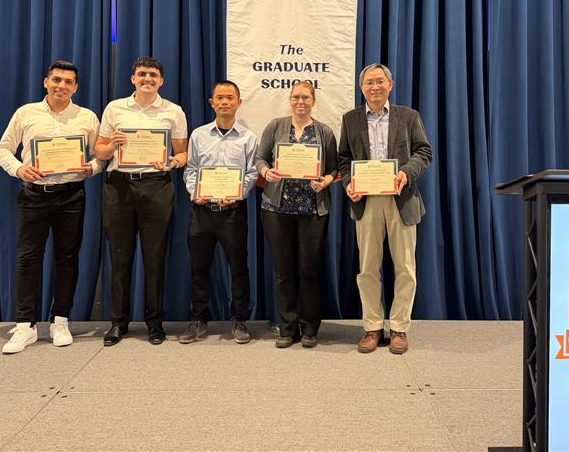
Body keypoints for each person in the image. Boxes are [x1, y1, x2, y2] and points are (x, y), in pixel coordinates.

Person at [0, 60, 102, 354]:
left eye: (68, 82)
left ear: (75, 87)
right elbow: (3, 149)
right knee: (28, 259)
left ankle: (60, 320)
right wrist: (19, 169)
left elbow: (101, 155)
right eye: (56, 80)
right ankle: (25, 325)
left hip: (71, 196)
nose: (61, 86)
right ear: (46, 82)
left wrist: (92, 168)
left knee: (67, 259)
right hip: (34, 195)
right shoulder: (26, 113)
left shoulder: (87, 117)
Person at [338, 63, 432, 354]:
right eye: (369, 82)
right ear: (361, 87)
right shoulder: (350, 119)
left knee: (405, 268)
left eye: (380, 81)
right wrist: (348, 184)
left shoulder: (408, 116)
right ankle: (373, 327)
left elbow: (424, 151)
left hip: (401, 199)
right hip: (366, 201)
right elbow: (343, 160)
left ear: (390, 85)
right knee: (367, 268)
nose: (375, 87)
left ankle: (399, 327)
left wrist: (406, 172)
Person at [94, 57, 188, 346]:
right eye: (142, 74)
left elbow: (183, 154)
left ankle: (154, 323)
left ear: (161, 81)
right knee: (119, 256)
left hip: (157, 185)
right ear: (133, 79)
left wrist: (173, 162)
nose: (148, 78)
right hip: (119, 186)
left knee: (154, 256)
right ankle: (118, 323)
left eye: (153, 75)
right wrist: (112, 145)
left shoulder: (173, 111)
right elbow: (99, 151)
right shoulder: (115, 108)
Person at [255, 82, 338, 348]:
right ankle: (287, 329)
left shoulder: (324, 131)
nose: (300, 102)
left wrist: (326, 181)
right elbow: (260, 158)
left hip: (312, 210)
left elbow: (334, 169)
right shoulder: (275, 126)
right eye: (295, 97)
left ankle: (310, 328)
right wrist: (266, 172)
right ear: (290, 100)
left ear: (313, 101)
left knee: (309, 270)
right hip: (276, 210)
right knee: (284, 271)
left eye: (305, 97)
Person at [181, 80, 258, 345]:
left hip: (233, 213)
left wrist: (236, 193)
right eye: (220, 98)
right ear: (211, 102)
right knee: (199, 268)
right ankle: (198, 320)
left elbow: (251, 173)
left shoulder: (249, 138)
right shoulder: (198, 135)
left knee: (238, 268)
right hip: (202, 211)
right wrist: (195, 191)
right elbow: (191, 169)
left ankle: (239, 319)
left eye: (230, 98)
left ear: (238, 102)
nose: (225, 102)